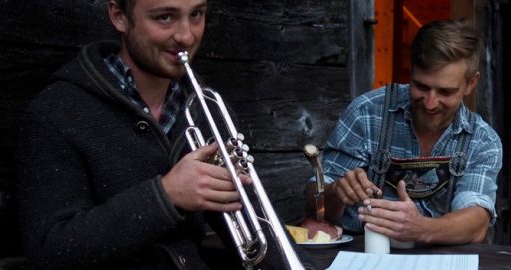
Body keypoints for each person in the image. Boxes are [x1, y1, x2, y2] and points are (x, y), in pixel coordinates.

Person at [17, 0, 312, 269]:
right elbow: (49, 250)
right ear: (119, 16)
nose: (186, 36)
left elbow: (256, 220)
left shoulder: (204, 110)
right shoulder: (58, 111)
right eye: (165, 17)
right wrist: (166, 195)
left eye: (196, 14)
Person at [306, 19, 503, 245]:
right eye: (421, 86)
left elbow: (477, 222)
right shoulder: (366, 113)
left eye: (445, 92)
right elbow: (314, 203)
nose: (430, 103)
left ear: (470, 84)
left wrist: (419, 229)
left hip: (439, 260)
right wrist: (336, 191)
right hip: (360, 255)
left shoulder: (482, 140)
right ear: (410, 71)